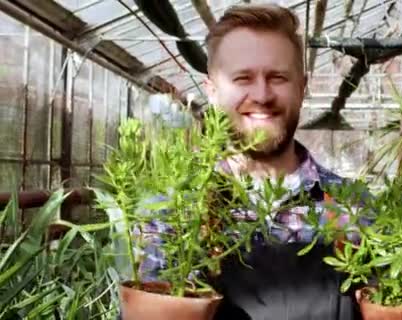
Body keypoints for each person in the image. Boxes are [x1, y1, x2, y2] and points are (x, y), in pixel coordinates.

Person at [140, 3, 371, 319]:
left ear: (302, 89)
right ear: (212, 91)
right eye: (243, 78)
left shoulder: (353, 206)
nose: (261, 95)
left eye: (277, 77)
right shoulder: (178, 211)